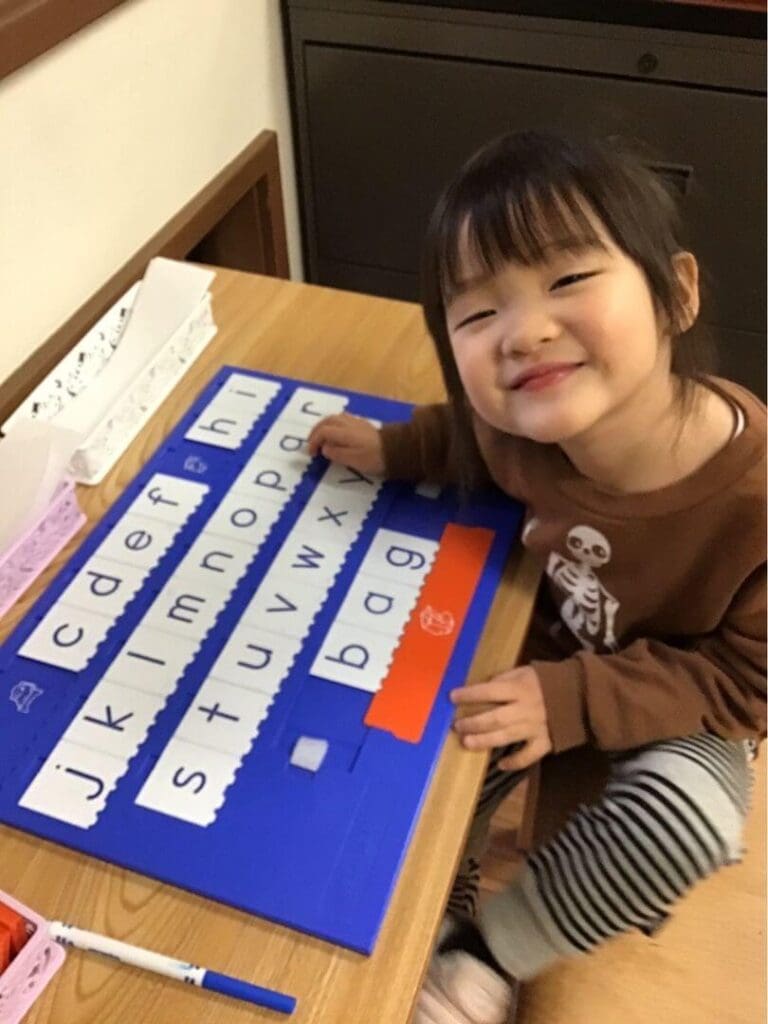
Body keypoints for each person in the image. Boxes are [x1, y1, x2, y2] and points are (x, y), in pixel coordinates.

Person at [307, 130, 766, 1024]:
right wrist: (398, 447)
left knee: (694, 822)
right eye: (477, 315)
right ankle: (449, 887)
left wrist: (574, 702)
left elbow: (745, 687)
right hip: (539, 640)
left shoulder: (754, 501)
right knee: (409, 741)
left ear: (677, 291)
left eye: (566, 281)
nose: (524, 331)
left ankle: (488, 952)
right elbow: (469, 435)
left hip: (687, 701)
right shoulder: (519, 424)